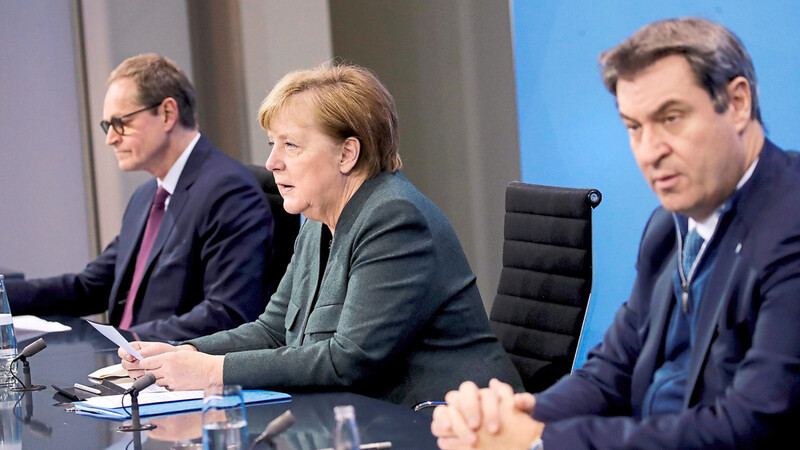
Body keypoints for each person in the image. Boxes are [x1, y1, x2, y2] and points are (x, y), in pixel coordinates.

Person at [431, 17, 800, 449]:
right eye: (634, 126)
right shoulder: (668, 227)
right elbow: (612, 371)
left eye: (671, 118)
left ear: (737, 103)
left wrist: (539, 441)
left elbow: (753, 424)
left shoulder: (790, 228)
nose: (650, 151)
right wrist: (511, 418)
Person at [118, 63, 523, 407]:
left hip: (448, 420)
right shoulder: (316, 219)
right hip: (368, 415)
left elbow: (350, 360)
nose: (272, 162)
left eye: (291, 145)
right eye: (272, 143)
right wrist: (185, 352)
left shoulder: (394, 219)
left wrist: (212, 371)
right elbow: (273, 329)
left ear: (347, 154)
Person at [5, 54, 274, 340]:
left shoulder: (229, 192)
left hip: (172, 372)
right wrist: (2, 295)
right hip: (129, 365)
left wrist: (122, 341)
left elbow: (227, 313)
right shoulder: (145, 197)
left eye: (121, 123)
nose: (111, 139)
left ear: (168, 113)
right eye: (108, 126)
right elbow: (89, 287)